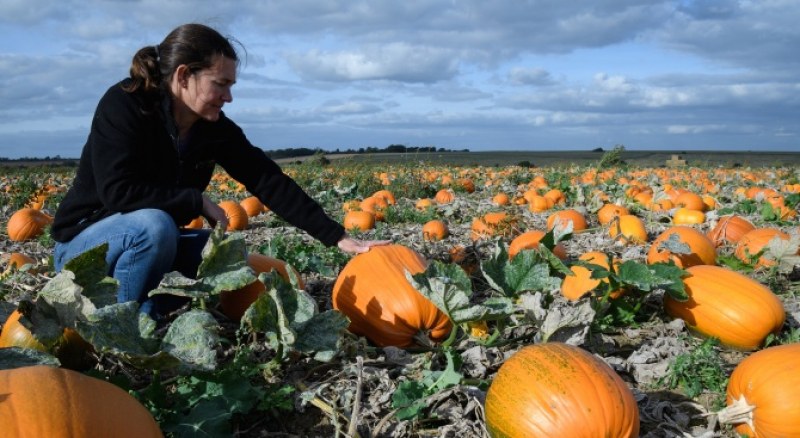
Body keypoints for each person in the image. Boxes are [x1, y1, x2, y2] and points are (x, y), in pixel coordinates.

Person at [51, 23, 388, 317]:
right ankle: (118, 324)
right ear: (184, 75)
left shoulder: (212, 128)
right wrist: (195, 201)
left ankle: (146, 308)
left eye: (231, 86)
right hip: (86, 248)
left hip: (151, 244)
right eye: (220, 84)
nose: (228, 97)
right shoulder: (126, 104)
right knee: (153, 226)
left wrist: (337, 237)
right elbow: (118, 192)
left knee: (229, 259)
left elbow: (266, 178)